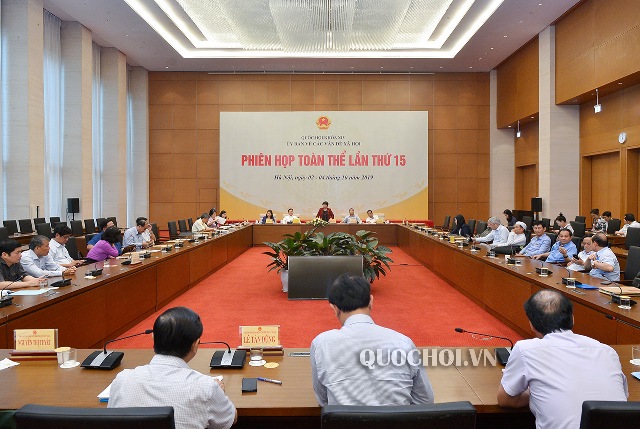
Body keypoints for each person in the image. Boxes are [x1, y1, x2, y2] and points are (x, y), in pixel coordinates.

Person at [498, 290, 627, 428]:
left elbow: (506, 399)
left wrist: (535, 392)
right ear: (572, 319)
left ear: (531, 325)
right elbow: (622, 398)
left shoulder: (525, 349)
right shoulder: (607, 351)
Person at [310, 273, 434, 406]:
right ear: (371, 301)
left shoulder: (321, 344)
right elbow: (425, 401)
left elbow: (323, 401)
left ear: (334, 308)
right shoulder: (403, 343)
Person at [109, 307, 237, 429]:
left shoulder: (122, 379)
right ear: (195, 345)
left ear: (153, 338)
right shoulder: (206, 387)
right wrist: (218, 392)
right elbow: (229, 419)